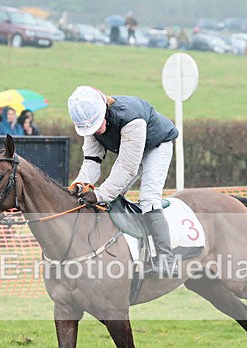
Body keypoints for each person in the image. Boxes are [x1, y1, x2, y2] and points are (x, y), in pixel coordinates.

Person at [67, 86, 179, 277]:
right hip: (131, 151)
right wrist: (80, 184)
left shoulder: (130, 119)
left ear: (104, 109)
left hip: (156, 146)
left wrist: (99, 194)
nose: (96, 130)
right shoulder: (89, 124)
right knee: (111, 197)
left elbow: (127, 167)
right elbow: (92, 161)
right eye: (91, 128)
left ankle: (166, 261)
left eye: (98, 124)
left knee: (148, 199)